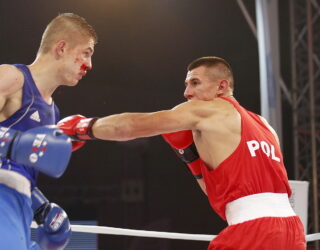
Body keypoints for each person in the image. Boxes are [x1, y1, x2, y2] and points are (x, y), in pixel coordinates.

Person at [58, 56, 306, 249]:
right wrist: (190, 155)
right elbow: (225, 196)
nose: (187, 93)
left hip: (253, 233)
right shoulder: (265, 126)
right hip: (292, 232)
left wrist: (85, 128)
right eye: (186, 84)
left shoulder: (205, 111)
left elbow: (132, 126)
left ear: (221, 86)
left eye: (195, 83)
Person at [0, 13, 97, 250]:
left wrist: (40, 207)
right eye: (86, 53)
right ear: (62, 47)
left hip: (18, 207)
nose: (89, 64)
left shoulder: (53, 113)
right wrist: (14, 143)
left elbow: (19, 172)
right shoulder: (12, 77)